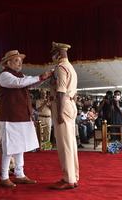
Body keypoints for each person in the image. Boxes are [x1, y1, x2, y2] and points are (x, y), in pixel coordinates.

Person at [0, 49, 52, 188]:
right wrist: (40, 76)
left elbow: (29, 84)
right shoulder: (5, 75)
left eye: (21, 61)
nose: (20, 63)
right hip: (10, 116)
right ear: (8, 62)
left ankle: (20, 174)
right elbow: (19, 83)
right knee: (9, 147)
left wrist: (42, 78)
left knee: (19, 146)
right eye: (17, 60)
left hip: (22, 114)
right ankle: (4, 177)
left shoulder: (19, 75)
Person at [49, 42, 79, 190]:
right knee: (71, 143)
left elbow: (61, 92)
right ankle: (73, 177)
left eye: (53, 54)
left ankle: (68, 179)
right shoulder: (71, 68)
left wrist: (59, 112)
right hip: (70, 104)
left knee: (64, 145)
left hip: (62, 105)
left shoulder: (60, 68)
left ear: (59, 54)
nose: (52, 57)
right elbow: (74, 93)